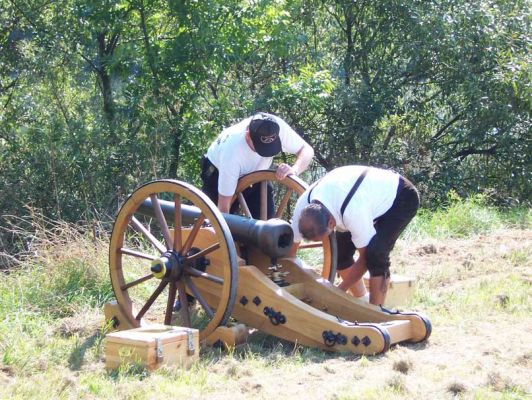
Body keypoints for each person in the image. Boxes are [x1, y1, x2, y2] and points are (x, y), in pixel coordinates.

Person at [288, 165, 419, 305]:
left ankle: (375, 314)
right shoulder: (302, 208)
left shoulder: (353, 212)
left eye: (324, 236)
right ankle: (361, 300)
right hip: (358, 196)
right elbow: (290, 255)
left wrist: (338, 292)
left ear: (332, 222)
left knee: (375, 254)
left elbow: (364, 259)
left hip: (400, 197)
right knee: (339, 255)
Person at [201, 112, 314, 218]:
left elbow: (307, 150)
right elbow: (223, 209)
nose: (265, 152)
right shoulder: (232, 151)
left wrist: (295, 169)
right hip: (217, 173)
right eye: (260, 148)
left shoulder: (276, 127)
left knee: (266, 224)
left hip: (258, 176)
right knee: (214, 224)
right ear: (248, 135)